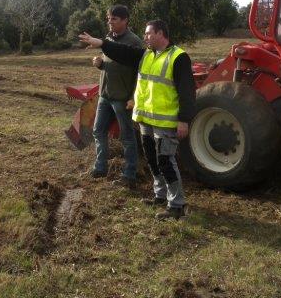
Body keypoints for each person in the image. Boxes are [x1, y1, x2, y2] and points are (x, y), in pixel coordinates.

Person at [79, 19, 196, 220]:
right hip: (145, 119)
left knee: (166, 161)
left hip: (165, 122)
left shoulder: (178, 58)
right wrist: (102, 43)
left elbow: (187, 92)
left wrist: (184, 120)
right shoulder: (146, 55)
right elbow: (123, 52)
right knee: (152, 159)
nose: (145, 37)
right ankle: (160, 196)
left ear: (161, 34)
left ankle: (177, 205)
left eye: (149, 33)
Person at [89, 5, 143, 188]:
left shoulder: (134, 42)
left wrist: (133, 96)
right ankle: (100, 167)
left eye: (114, 19)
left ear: (125, 20)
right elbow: (109, 64)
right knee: (98, 131)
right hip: (105, 95)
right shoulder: (108, 39)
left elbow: (139, 72)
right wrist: (100, 64)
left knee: (127, 136)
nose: (110, 22)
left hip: (122, 97)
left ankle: (130, 173)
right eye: (108, 19)